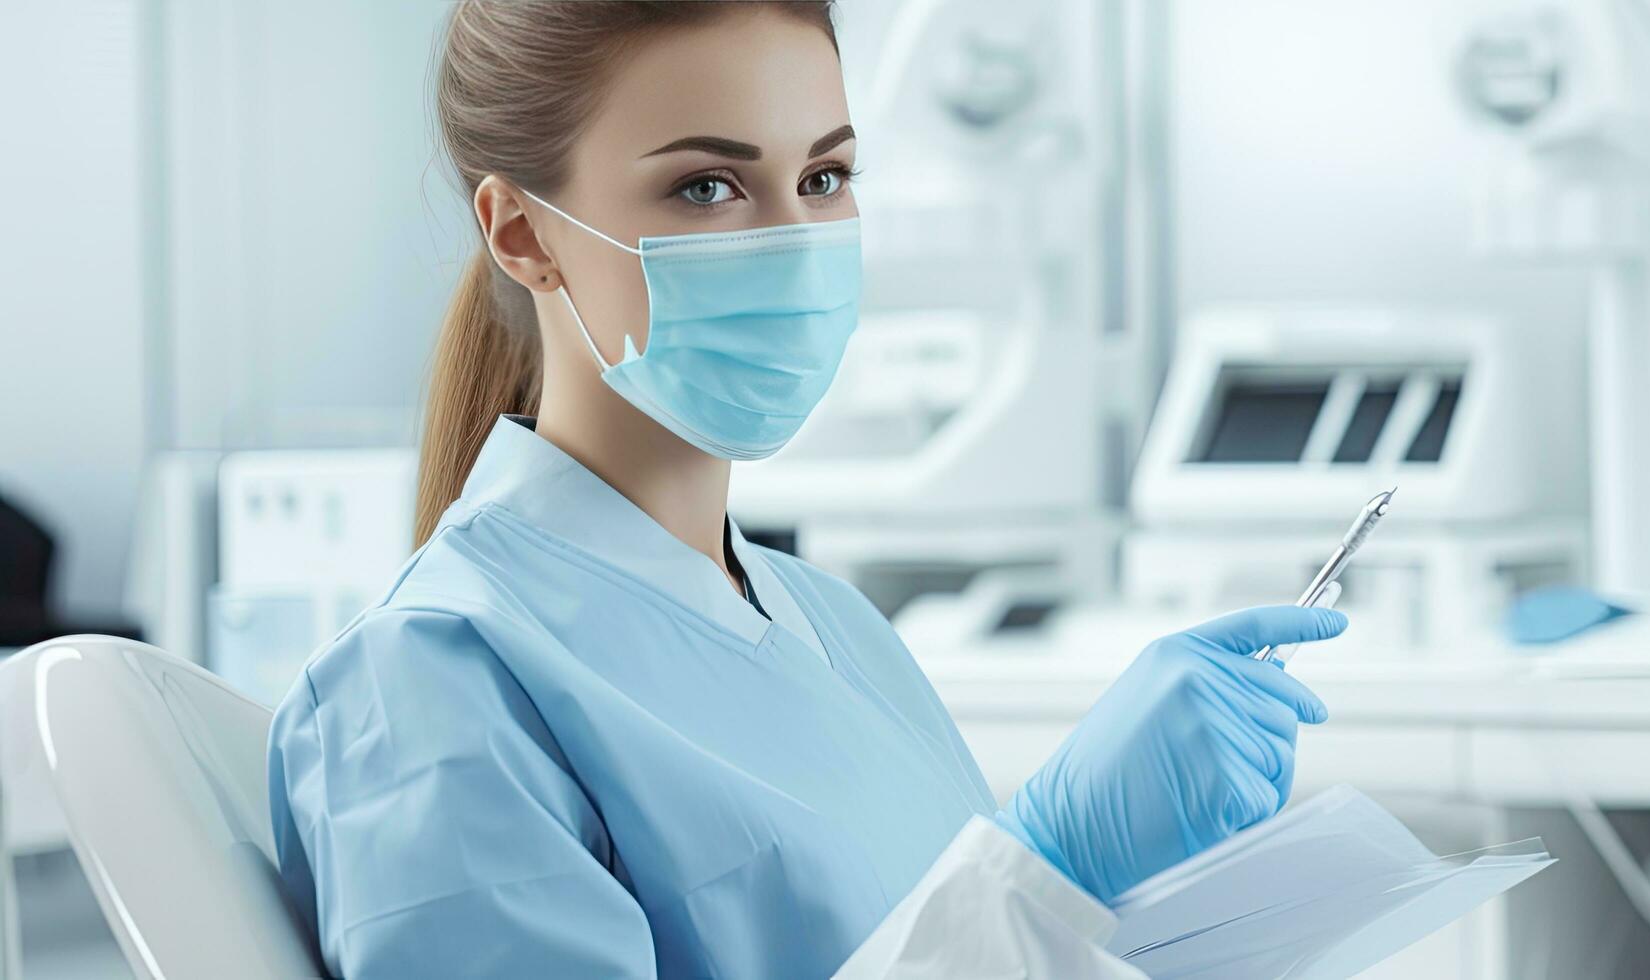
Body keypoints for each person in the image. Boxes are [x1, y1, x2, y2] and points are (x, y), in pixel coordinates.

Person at [264, 4, 1346, 977]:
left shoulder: (833, 625)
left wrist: (1101, 899)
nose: (791, 241)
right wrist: (1045, 862)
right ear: (522, 233)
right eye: (707, 186)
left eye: (824, 178)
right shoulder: (428, 687)